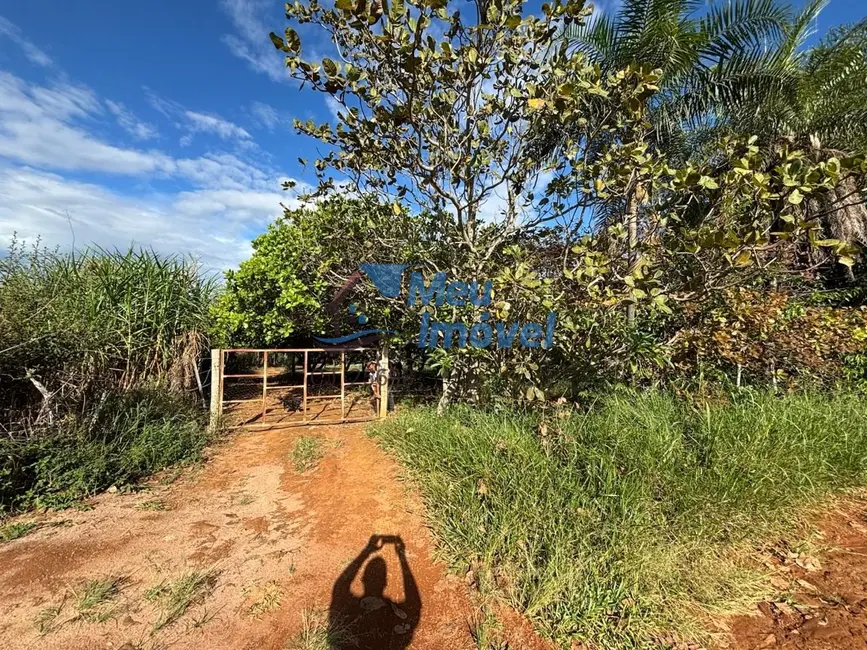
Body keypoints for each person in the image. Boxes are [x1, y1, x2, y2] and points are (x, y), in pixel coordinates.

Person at [328, 535, 421, 649]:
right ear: (385, 583)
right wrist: (402, 558)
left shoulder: (352, 608)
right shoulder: (393, 612)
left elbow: (340, 587)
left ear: (363, 580)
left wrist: (366, 552)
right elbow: (414, 603)